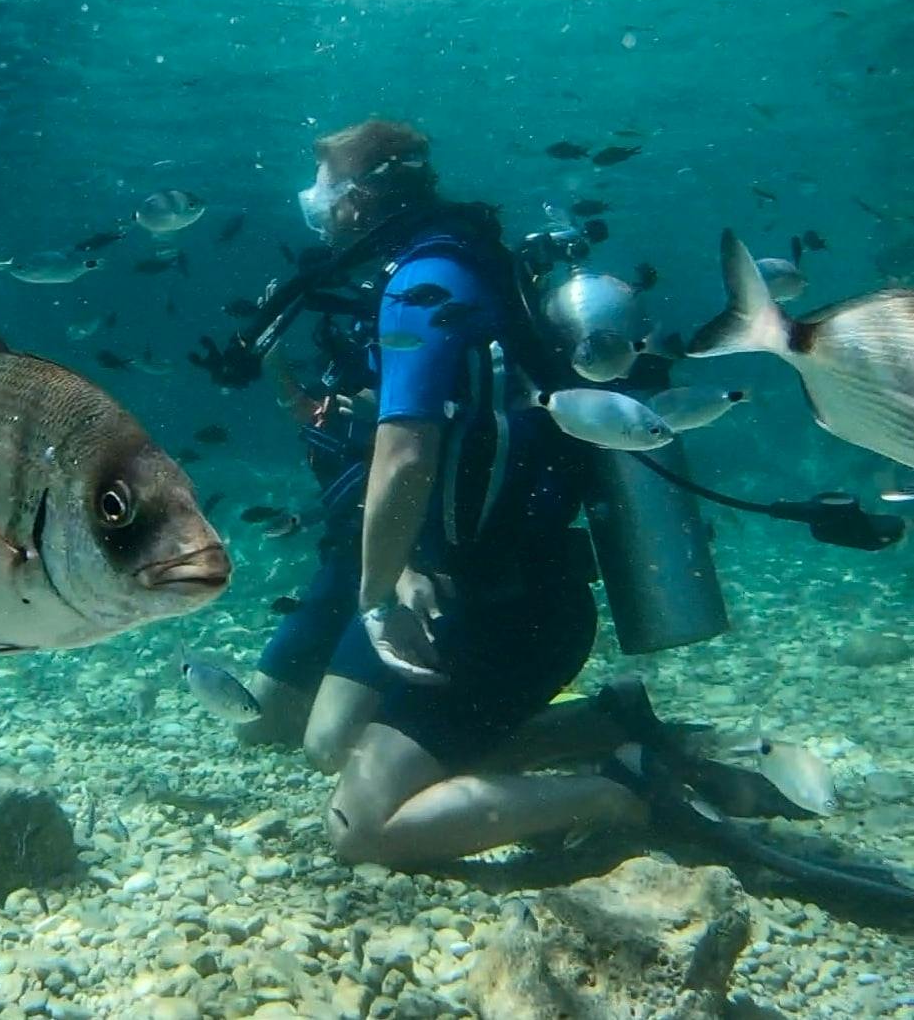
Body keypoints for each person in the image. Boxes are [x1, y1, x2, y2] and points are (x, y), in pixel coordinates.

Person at [237, 118, 653, 869]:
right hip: (496, 588)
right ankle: (607, 725)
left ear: (360, 199)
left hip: (511, 613)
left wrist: (373, 600)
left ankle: (618, 790)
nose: (317, 206)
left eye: (326, 189)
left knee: (357, 827)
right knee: (333, 740)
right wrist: (403, 566)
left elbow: (405, 456)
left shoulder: (423, 284)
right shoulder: (465, 260)